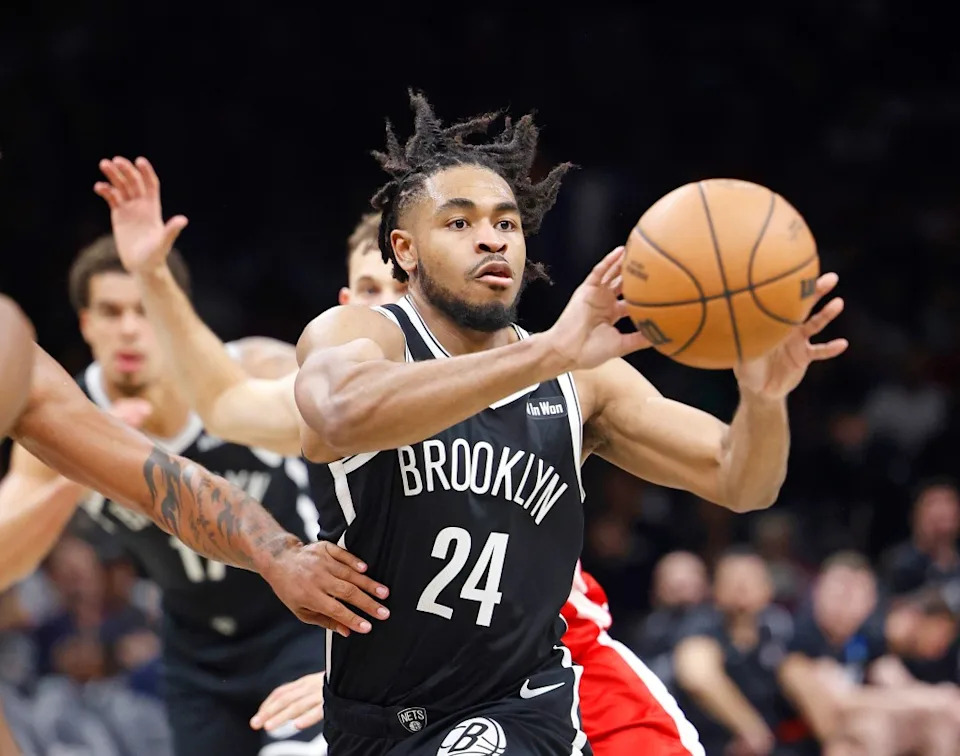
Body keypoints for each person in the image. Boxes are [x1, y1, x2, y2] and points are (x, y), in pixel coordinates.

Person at [287, 91, 846, 755]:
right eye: (459, 224)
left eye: (506, 223)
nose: (492, 236)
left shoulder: (580, 380)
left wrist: (763, 399)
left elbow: (740, 480)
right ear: (404, 251)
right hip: (372, 719)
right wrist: (546, 351)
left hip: (519, 704)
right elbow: (340, 414)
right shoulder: (361, 332)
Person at [92, 151, 700, 755]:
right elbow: (226, 404)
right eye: (370, 292)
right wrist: (153, 277)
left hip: (553, 672)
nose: (395, 306)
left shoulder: (544, 371)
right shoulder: (346, 370)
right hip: (397, 693)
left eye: (396, 291)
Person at [0, 236, 391, 755]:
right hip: (194, 644)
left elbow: (372, 439)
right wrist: (82, 467)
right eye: (111, 312)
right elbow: (7, 554)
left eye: (143, 310)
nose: (130, 330)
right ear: (86, 324)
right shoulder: (66, 418)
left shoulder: (247, 374)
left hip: (296, 622)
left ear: (171, 313)